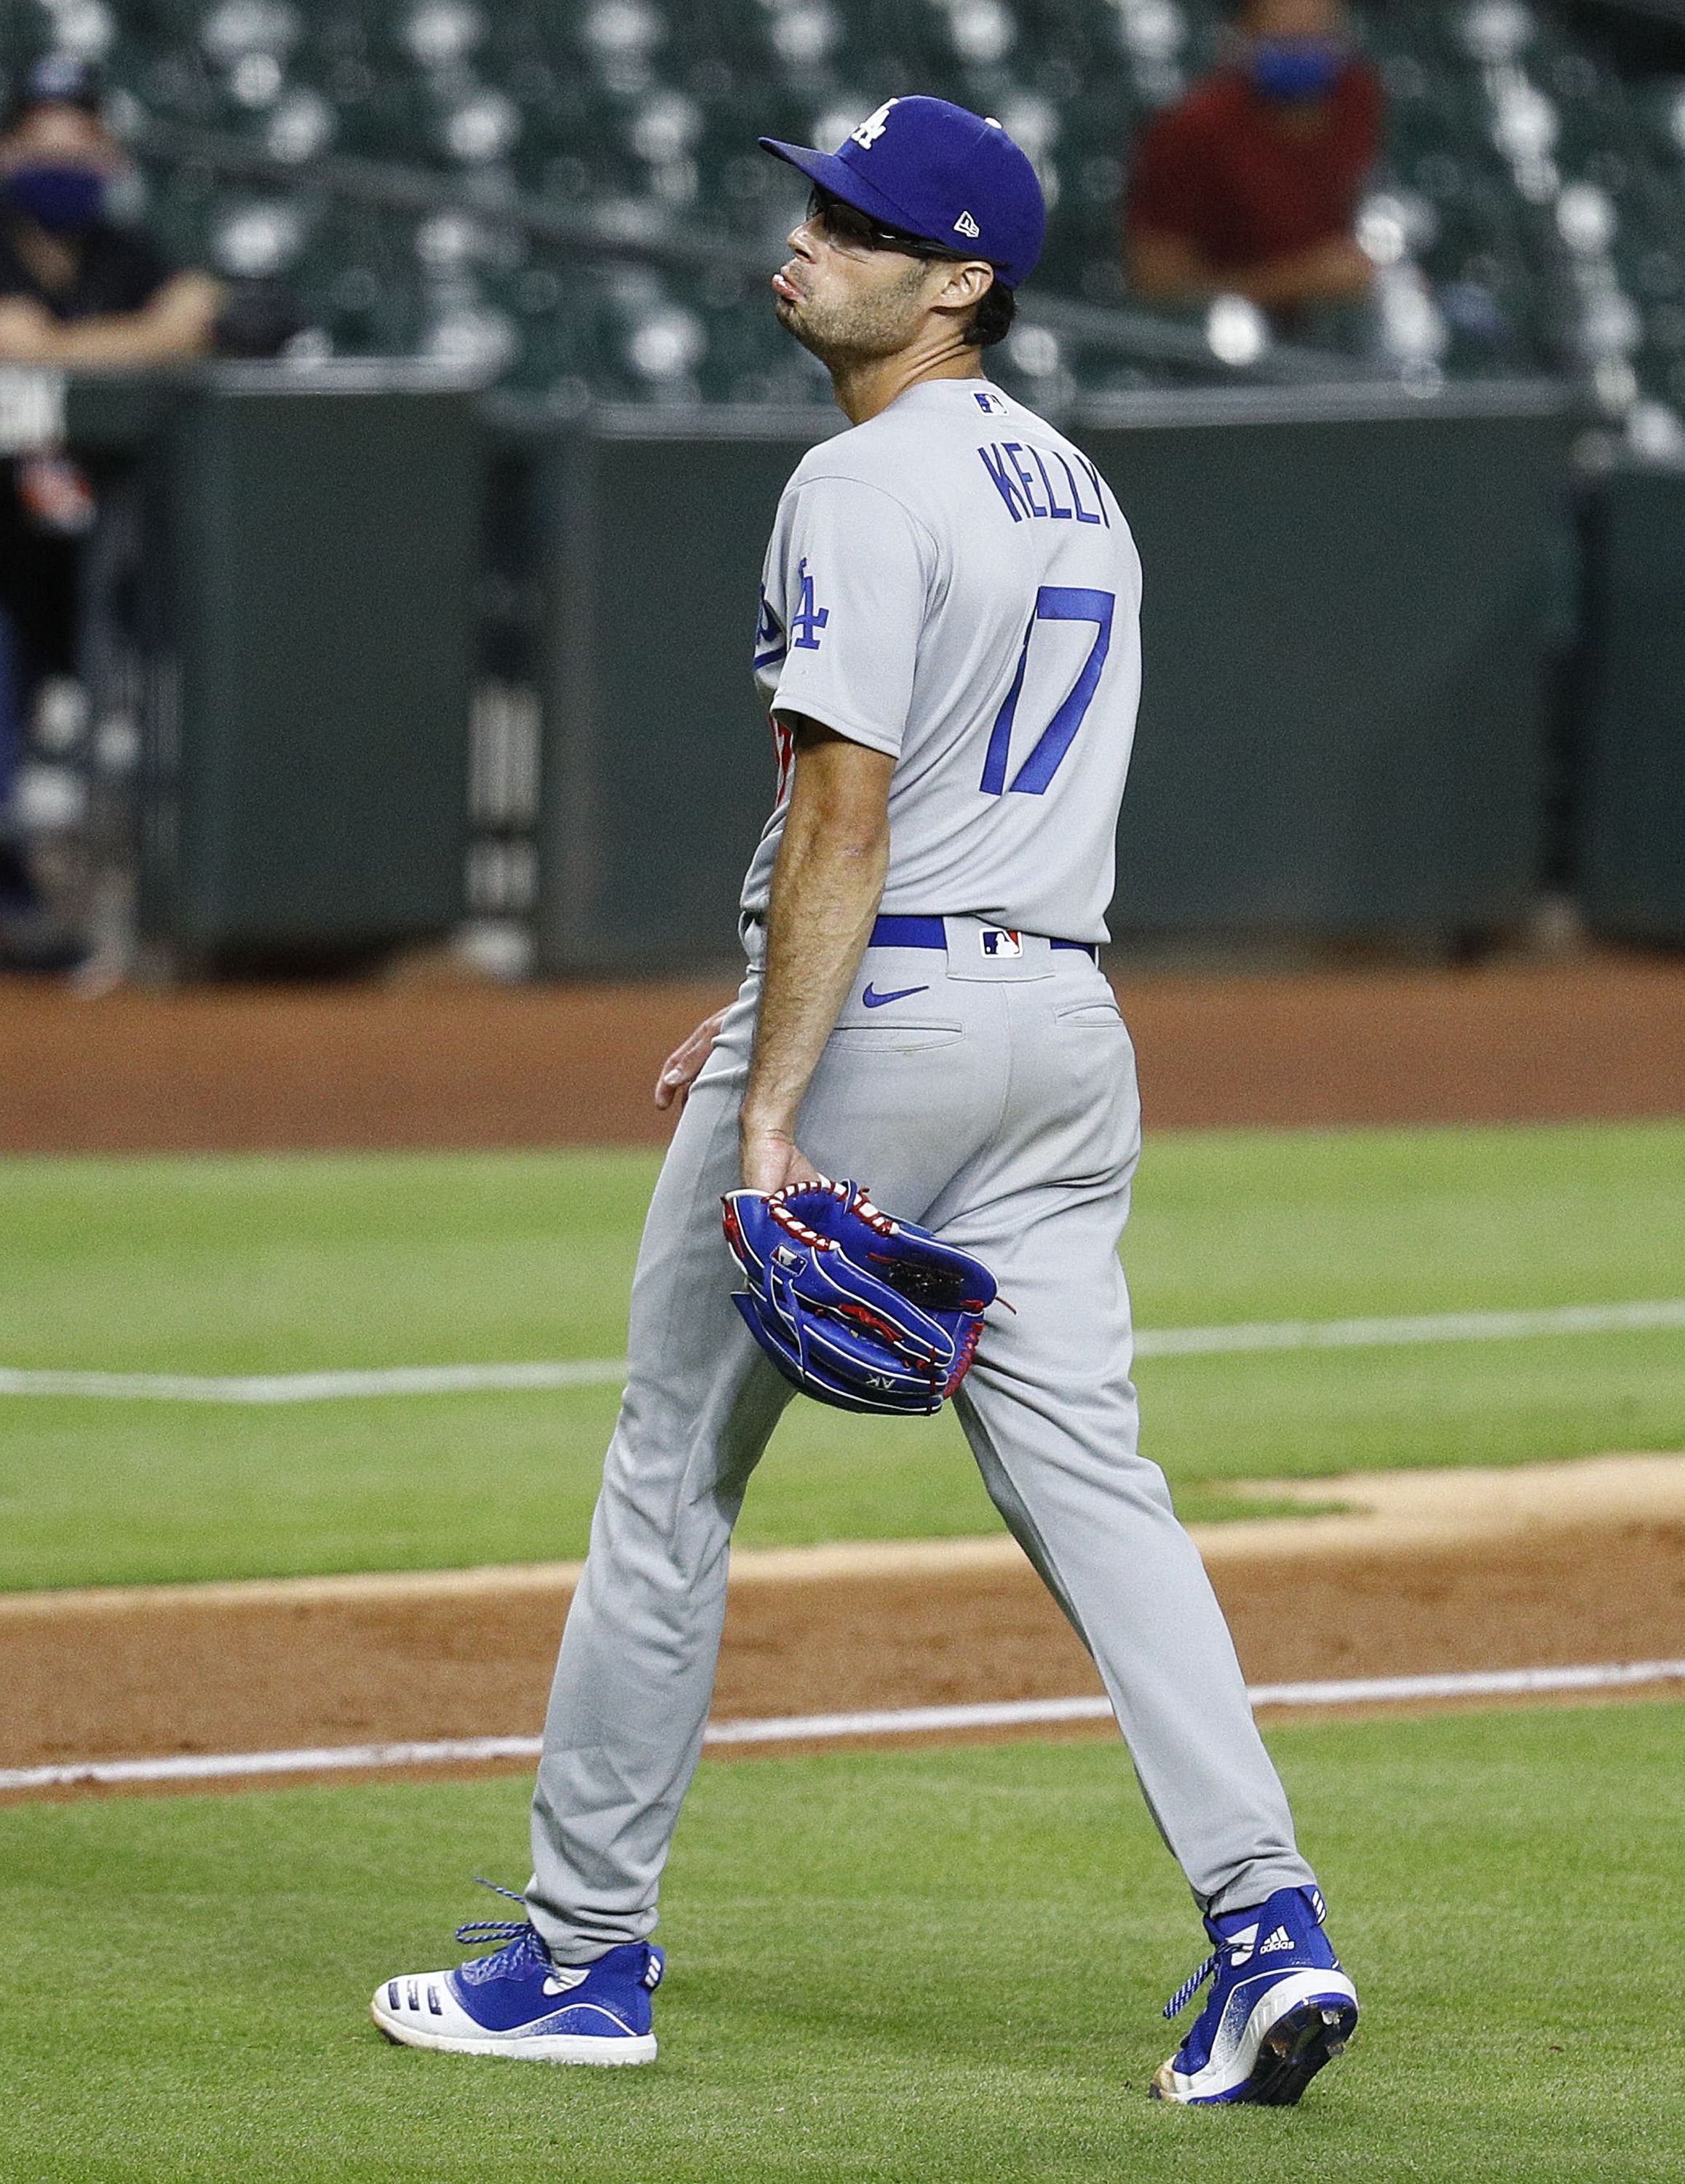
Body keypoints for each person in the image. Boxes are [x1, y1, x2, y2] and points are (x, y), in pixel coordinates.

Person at [373, 95, 1360, 2108]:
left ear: (962, 278)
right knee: (1099, 1490)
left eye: (858, 222)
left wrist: (774, 1090)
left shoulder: (863, 479)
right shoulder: (1076, 484)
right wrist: (769, 999)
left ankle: (576, 1960)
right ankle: (1265, 1921)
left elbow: (849, 807)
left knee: (672, 1470)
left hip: (891, 1019)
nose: (804, 243)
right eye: (813, 207)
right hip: (1060, 1034)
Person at [0, 55, 220, 946]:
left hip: (106, 550)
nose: (64, 165)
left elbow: (193, 320)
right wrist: (136, 341)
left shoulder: (128, 249)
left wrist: (53, 343)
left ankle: (105, 898)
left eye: (81, 146)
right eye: (43, 146)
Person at [1124, 0, 1381, 325]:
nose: (1302, 20)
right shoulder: (1191, 129)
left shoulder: (1360, 96)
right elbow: (1158, 289)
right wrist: (1301, 280)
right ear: (1245, 24)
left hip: (1345, 334)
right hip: (1227, 346)